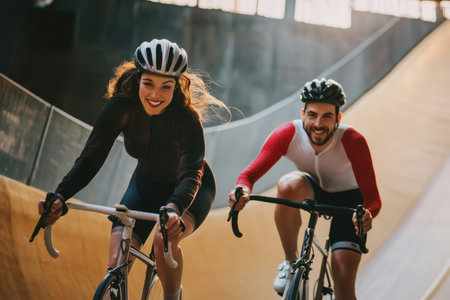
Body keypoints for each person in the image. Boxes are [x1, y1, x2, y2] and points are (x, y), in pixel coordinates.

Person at [38, 38, 230, 300]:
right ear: (137, 79)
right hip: (145, 186)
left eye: (166, 86)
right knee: (117, 260)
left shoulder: (186, 119)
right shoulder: (121, 106)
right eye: (148, 83)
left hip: (190, 191)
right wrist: (60, 196)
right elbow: (91, 158)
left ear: (177, 86)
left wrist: (174, 209)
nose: (155, 94)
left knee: (164, 240)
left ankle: (172, 296)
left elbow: (190, 174)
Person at [228, 78, 381, 300]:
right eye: (312, 115)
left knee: (343, 277)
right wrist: (241, 190)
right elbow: (248, 175)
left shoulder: (353, 141)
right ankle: (290, 263)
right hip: (314, 191)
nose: (318, 123)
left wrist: (367, 214)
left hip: (350, 204)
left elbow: (373, 199)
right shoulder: (288, 134)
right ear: (303, 115)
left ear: (338, 118)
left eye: (327, 116)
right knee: (289, 185)